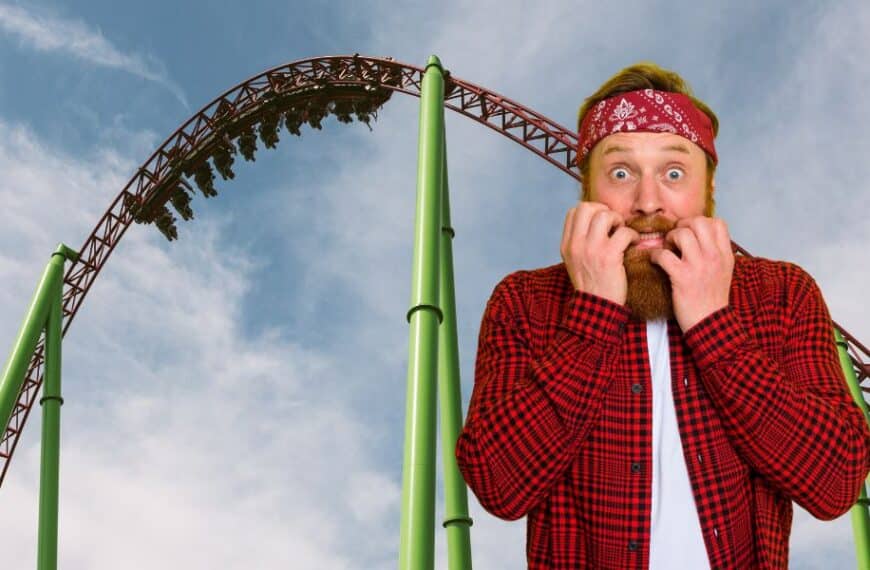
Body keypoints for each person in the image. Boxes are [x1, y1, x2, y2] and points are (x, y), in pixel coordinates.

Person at [454, 62, 870, 569]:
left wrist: (715, 328)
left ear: (707, 191)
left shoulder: (780, 293)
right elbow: (499, 486)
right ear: (587, 191)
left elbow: (835, 483)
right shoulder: (524, 301)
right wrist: (591, 314)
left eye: (674, 173)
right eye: (621, 173)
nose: (647, 201)